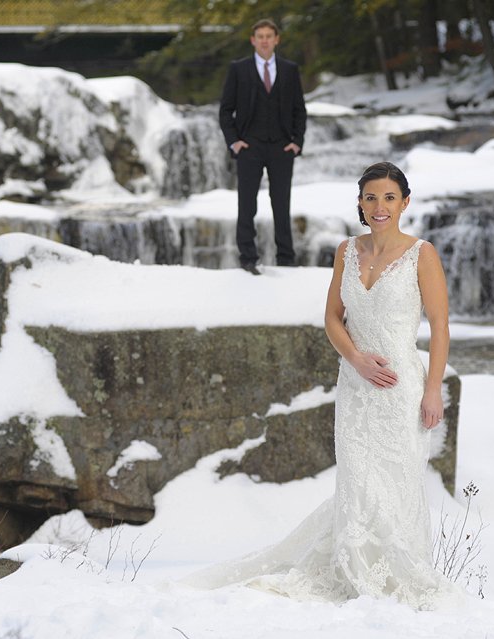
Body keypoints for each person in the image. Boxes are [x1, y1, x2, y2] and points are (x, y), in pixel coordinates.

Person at [182, 162, 463, 610]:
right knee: (356, 480)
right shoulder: (346, 251)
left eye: (389, 198)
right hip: (354, 387)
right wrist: (354, 358)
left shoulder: (421, 254)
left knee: (395, 483)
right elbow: (333, 317)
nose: (380, 206)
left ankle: (397, 575)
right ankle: (354, 574)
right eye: (371, 198)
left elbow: (441, 324)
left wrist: (433, 390)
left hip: (399, 390)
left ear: (404, 203)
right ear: (360, 203)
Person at [219, 18, 307, 275]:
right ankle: (248, 258)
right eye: (261, 36)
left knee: (281, 204)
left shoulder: (290, 70)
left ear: (276, 39)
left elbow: (299, 110)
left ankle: (286, 259)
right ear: (253, 40)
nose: (265, 40)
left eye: (270, 36)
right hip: (250, 147)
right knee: (247, 204)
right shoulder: (239, 69)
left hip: (282, 147)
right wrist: (235, 142)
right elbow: (226, 111)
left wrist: (296, 142)